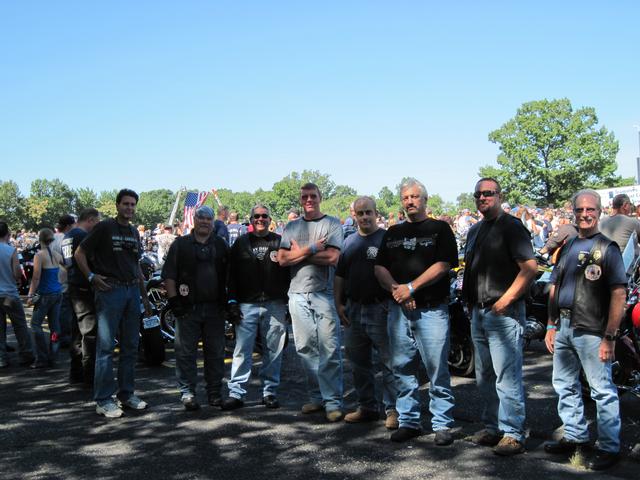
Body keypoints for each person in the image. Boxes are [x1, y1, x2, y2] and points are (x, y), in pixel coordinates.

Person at [543, 189, 626, 471]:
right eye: (580, 210)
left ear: (599, 212)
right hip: (564, 326)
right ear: (574, 213)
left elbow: (618, 294)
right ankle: (576, 435)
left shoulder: (608, 248)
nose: (585, 214)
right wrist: (551, 324)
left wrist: (610, 336)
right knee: (564, 385)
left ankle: (609, 446)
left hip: (592, 330)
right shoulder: (567, 246)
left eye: (591, 209)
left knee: (602, 390)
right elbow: (554, 287)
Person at [375, 178, 457, 445]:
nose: (410, 201)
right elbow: (379, 268)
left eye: (414, 197)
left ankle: (442, 424)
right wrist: (398, 290)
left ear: (425, 200)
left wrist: (411, 288)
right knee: (402, 368)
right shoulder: (392, 233)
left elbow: (444, 265)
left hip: (432, 311)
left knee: (436, 369)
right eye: (405, 197)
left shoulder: (440, 229)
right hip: (399, 311)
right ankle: (409, 421)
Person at [462, 177, 537, 455]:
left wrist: (506, 300)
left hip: (503, 312)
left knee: (507, 376)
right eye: (478, 194)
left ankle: (513, 432)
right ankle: (493, 428)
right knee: (484, 376)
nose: (483, 198)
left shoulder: (511, 226)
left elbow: (530, 267)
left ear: (500, 196)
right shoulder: (475, 231)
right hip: (478, 313)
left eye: (488, 193)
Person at [75, 188, 153, 418]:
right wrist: (91, 276)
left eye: (132, 204)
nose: (129, 208)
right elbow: (80, 253)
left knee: (130, 346)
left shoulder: (133, 232)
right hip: (111, 291)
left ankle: (126, 394)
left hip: (131, 291)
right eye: (126, 204)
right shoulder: (105, 227)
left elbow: (135, 266)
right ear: (117, 205)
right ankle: (103, 399)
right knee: (106, 348)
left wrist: (145, 297)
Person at [277, 182, 344, 422]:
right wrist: (314, 247)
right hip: (296, 294)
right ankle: (317, 397)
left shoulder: (332, 224)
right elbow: (282, 260)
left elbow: (333, 257)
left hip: (323, 292)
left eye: (312, 196)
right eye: (304, 196)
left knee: (329, 347)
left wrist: (299, 253)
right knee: (305, 348)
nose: (308, 200)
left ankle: (333, 402)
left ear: (320, 197)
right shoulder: (292, 226)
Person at [334, 196, 398, 429]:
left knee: (389, 363)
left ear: (375, 213)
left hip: (380, 308)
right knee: (359, 364)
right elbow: (340, 275)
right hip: (353, 309)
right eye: (360, 213)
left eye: (368, 212)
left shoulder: (387, 239)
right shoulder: (348, 241)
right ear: (354, 215)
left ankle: (393, 410)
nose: (364, 217)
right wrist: (338, 303)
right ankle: (367, 408)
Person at [223, 204, 290, 410]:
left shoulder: (279, 242)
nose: (260, 219)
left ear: (270, 220)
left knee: (274, 351)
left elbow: (288, 274)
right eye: (256, 216)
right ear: (250, 220)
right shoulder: (240, 243)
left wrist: (287, 302)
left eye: (264, 216)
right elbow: (231, 275)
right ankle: (236, 393)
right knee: (242, 351)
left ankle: (269, 392)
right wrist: (232, 301)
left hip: (275, 304)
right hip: (246, 304)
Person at [162, 206, 229, 411]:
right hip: (187, 308)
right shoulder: (180, 244)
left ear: (212, 222)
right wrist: (174, 303)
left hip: (215, 308)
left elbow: (230, 276)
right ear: (194, 220)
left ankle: (214, 393)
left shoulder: (221, 244)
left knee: (216, 354)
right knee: (184, 353)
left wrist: (230, 303)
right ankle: (187, 393)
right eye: (201, 218)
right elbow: (169, 276)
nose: (205, 222)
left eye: (209, 219)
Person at [62, 208, 101, 385]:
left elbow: (66, 262)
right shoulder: (81, 236)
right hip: (84, 287)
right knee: (89, 333)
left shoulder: (67, 236)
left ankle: (76, 373)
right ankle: (89, 375)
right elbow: (90, 259)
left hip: (73, 285)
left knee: (77, 332)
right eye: (97, 223)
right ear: (91, 220)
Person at [27, 228, 64, 368]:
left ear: (40, 239)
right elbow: (65, 271)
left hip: (45, 295)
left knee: (35, 325)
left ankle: (42, 358)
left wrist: (30, 294)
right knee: (55, 327)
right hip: (57, 294)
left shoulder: (39, 256)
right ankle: (53, 356)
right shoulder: (57, 255)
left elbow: (36, 278)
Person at [0, 221, 35, 368]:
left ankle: (1, 358)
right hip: (10, 293)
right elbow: (16, 273)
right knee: (20, 326)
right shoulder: (11, 250)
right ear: (7, 234)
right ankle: (26, 355)